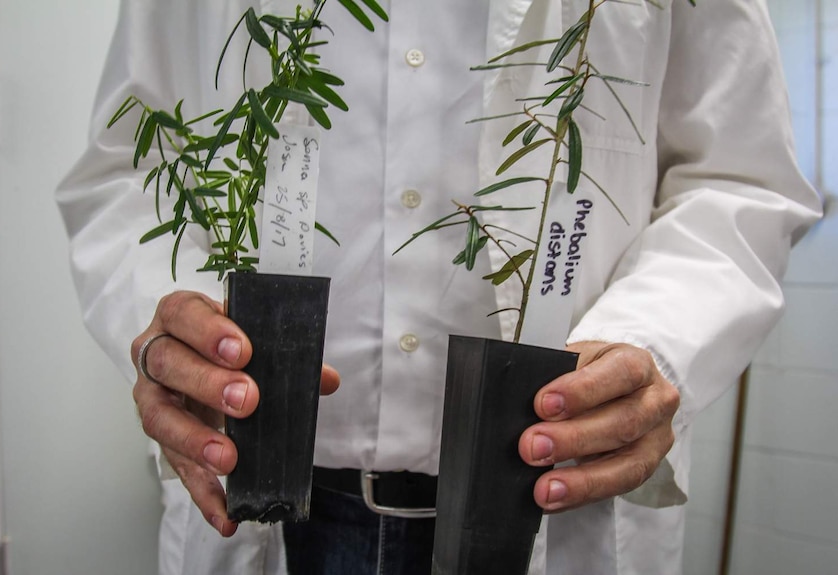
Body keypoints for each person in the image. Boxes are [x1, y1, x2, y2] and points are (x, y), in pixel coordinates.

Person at [57, 0, 822, 573]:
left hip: (549, 503)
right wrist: (172, 327)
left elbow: (738, 177)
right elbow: (131, 164)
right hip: (268, 507)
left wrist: (662, 343)